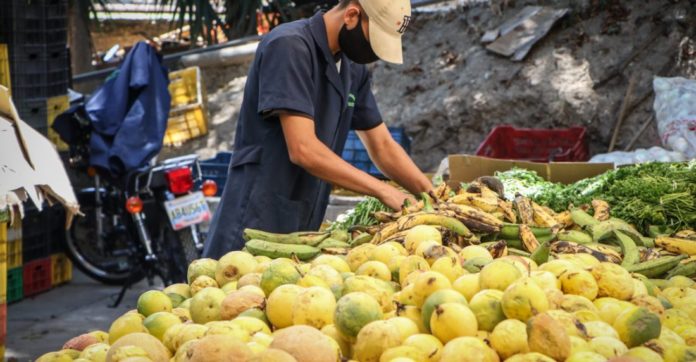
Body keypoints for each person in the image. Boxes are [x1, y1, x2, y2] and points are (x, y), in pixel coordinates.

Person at [203, 0, 433, 258]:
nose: (373, 51)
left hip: (305, 213)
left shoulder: (352, 68)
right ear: (352, 15)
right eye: (374, 39)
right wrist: (382, 190)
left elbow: (382, 145)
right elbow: (303, 149)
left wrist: (433, 197)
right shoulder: (288, 46)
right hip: (257, 211)